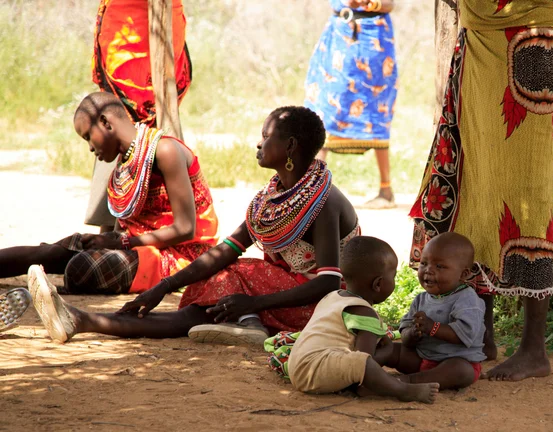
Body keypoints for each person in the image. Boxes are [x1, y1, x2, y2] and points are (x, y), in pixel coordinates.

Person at [28, 106, 360, 345]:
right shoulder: (273, 197)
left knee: (231, 281)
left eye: (266, 136)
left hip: (322, 307)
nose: (258, 144)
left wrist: (254, 303)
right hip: (285, 294)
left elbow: (328, 283)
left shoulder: (322, 201)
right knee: (215, 288)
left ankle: (85, 320)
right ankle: (81, 320)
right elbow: (224, 251)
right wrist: (162, 287)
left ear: (289, 146)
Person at [409, 1, 553, 381]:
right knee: (474, 191)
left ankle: (534, 350)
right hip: (479, 41)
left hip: (529, 42)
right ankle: (481, 334)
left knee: (526, 195)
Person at [0, 92, 218, 296]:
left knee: (83, 266)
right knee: (56, 251)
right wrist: (105, 240)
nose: (90, 148)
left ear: (105, 123)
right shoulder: (124, 165)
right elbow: (122, 230)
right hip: (138, 248)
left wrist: (120, 244)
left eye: (88, 136)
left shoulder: (164, 151)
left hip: (180, 256)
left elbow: (185, 229)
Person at [287, 236, 439, 403]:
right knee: (362, 362)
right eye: (394, 276)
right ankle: (404, 390)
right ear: (378, 284)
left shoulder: (333, 296)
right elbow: (365, 361)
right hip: (314, 371)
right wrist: (387, 352)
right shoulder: (364, 313)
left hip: (297, 366)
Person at [86, 0, 193, 231]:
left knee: (157, 119)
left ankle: (159, 222)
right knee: (120, 120)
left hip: (161, 21)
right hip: (125, 27)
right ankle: (113, 222)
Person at [305, 0, 398, 208]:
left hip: (374, 38)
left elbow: (389, 4)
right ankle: (312, 188)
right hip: (339, 35)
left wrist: (371, 2)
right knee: (325, 105)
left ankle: (386, 189)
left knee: (376, 106)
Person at [380, 233, 485, 390]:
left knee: (462, 371)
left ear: (463, 274)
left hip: (453, 361)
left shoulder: (467, 299)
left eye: (439, 266)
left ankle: (410, 381)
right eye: (423, 263)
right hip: (421, 358)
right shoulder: (421, 299)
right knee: (389, 349)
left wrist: (432, 327)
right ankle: (364, 371)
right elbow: (405, 335)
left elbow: (465, 334)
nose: (428, 270)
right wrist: (412, 333)